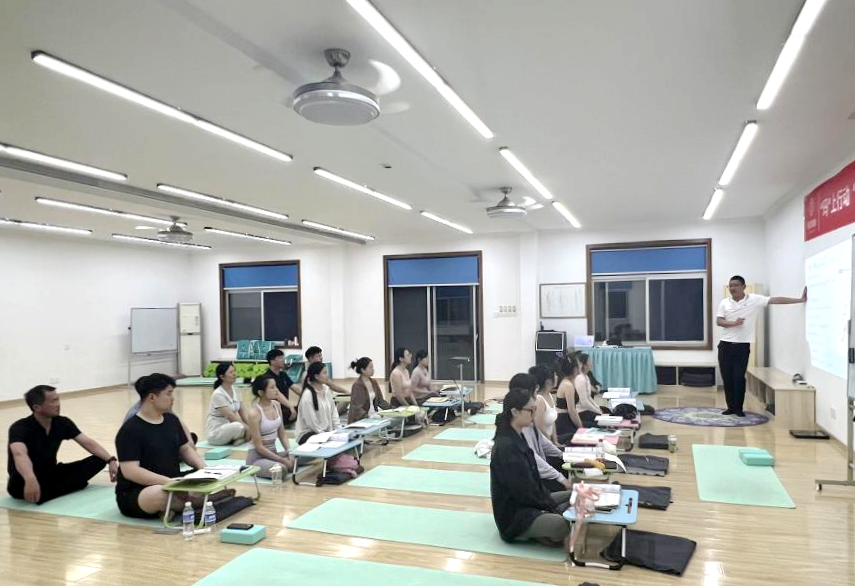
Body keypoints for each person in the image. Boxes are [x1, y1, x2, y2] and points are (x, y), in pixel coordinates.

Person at [115, 374, 215, 519]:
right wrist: (168, 482)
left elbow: (185, 448)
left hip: (173, 481)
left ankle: (176, 507)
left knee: (204, 481)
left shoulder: (171, 420)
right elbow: (131, 471)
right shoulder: (130, 430)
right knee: (161, 496)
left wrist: (203, 469)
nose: (173, 398)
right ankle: (198, 501)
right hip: (141, 490)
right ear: (152, 397)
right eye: (168, 393)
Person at [7, 385, 118, 504]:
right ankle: (67, 486)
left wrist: (111, 460)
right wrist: (30, 479)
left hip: (51, 473)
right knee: (19, 487)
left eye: (58, 399)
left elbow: (87, 442)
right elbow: (19, 454)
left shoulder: (62, 422)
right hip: (23, 479)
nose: (58, 404)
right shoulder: (20, 427)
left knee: (99, 460)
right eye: (53, 401)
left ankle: (52, 491)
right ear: (37, 407)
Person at [490, 388, 571, 546]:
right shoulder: (506, 447)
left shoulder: (519, 434)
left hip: (532, 502)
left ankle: (544, 524)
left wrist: (548, 502)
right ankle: (529, 532)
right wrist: (548, 506)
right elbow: (522, 492)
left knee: (575, 496)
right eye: (531, 410)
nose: (534, 414)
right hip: (517, 515)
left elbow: (533, 485)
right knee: (562, 525)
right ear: (515, 412)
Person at [717, 276, 807, 416]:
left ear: (743, 287)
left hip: (742, 347)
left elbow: (776, 300)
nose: (732, 288)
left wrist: (799, 300)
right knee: (727, 378)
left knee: (739, 377)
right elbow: (719, 321)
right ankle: (731, 407)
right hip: (725, 346)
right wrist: (734, 323)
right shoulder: (724, 302)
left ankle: (739, 409)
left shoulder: (754, 299)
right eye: (730, 286)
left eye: (736, 285)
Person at [245, 376, 295, 478]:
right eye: (272, 387)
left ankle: (285, 462)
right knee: (281, 470)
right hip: (258, 458)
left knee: (304, 455)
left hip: (274, 454)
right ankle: (280, 464)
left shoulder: (276, 405)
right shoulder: (254, 413)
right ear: (261, 392)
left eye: (276, 386)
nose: (276, 390)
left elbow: (282, 434)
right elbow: (259, 447)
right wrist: (282, 460)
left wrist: (289, 452)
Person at [294, 362, 341, 444]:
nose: (327, 375)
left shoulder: (326, 390)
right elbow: (312, 423)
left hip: (325, 433)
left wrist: (338, 429)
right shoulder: (307, 396)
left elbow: (334, 412)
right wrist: (326, 435)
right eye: (324, 373)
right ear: (316, 376)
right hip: (309, 434)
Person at [204, 363, 250, 445]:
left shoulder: (236, 390)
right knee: (239, 426)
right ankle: (241, 437)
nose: (234, 374)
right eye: (231, 372)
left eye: (234, 371)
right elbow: (230, 416)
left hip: (229, 427)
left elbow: (242, 411)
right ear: (222, 377)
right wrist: (247, 428)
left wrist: (251, 426)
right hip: (216, 432)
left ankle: (239, 438)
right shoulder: (218, 394)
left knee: (255, 424)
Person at [348, 357, 391, 423]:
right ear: (363, 370)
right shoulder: (357, 385)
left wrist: (393, 409)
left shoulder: (374, 382)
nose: (373, 369)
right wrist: (368, 416)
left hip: (373, 416)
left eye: (373, 367)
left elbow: (380, 401)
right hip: (361, 420)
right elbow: (357, 408)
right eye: (370, 367)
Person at [529, 364, 561, 446]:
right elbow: (539, 427)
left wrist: (556, 441)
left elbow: (553, 421)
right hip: (542, 443)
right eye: (555, 375)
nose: (557, 377)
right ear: (548, 381)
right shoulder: (539, 400)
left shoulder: (549, 395)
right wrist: (551, 444)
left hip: (550, 440)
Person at [555, 356, 584, 444]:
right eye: (579, 364)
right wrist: (581, 428)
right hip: (563, 422)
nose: (581, 365)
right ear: (575, 369)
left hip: (567, 419)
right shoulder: (568, 385)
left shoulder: (569, 382)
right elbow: (572, 411)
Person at [263, 349, 298, 420]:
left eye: (283, 357)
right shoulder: (267, 377)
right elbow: (278, 395)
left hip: (286, 407)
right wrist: (290, 406)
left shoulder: (283, 374)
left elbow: (295, 387)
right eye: (280, 358)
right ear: (272, 361)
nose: (283, 360)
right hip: (274, 410)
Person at [574, 353, 604, 427]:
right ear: (584, 365)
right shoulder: (580, 379)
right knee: (601, 423)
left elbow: (589, 397)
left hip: (586, 409)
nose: (591, 363)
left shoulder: (586, 377)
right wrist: (597, 411)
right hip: (581, 412)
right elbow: (584, 402)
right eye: (589, 361)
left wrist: (597, 408)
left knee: (604, 415)